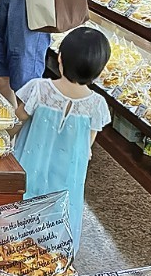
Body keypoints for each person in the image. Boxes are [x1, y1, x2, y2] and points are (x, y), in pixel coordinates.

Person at [13, 27, 112, 250]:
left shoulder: (39, 88)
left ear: (60, 58)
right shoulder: (96, 104)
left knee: (22, 207)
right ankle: (53, 255)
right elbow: (88, 142)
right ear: (99, 71)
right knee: (61, 210)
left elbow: (18, 119)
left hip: (29, 165)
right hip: (67, 175)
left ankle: (14, 247)